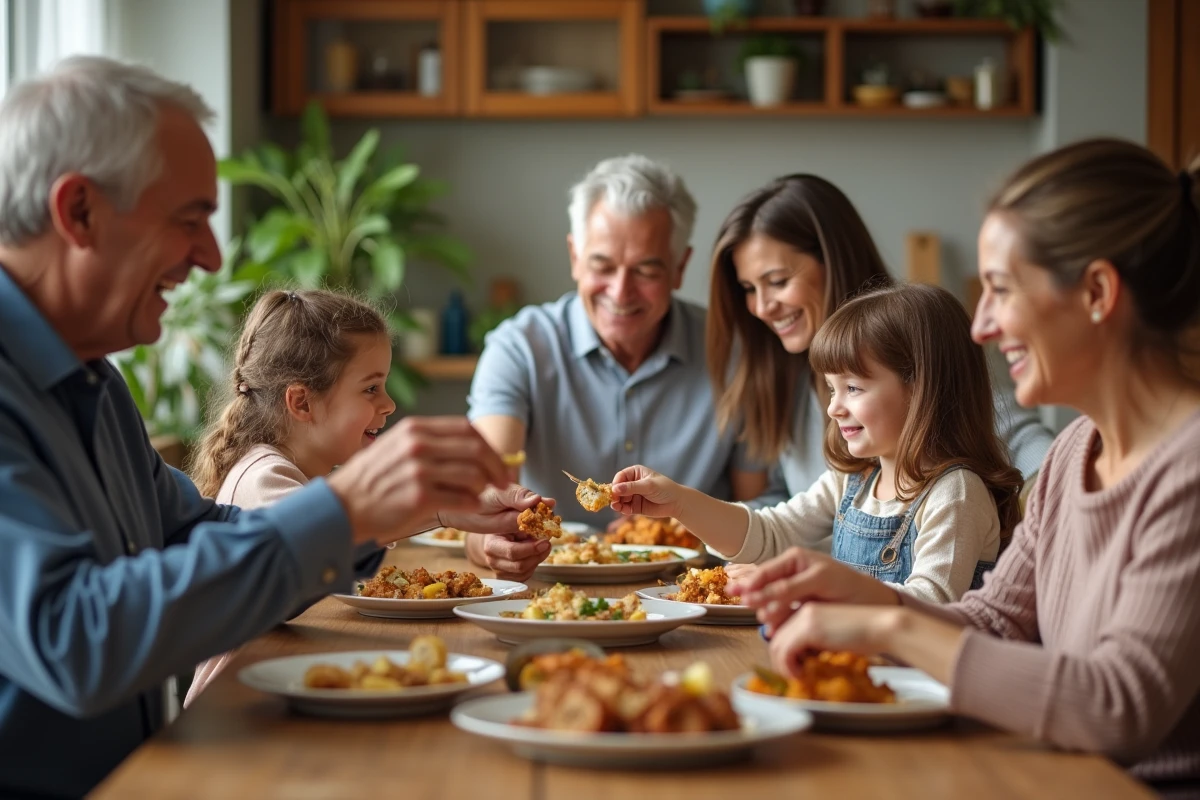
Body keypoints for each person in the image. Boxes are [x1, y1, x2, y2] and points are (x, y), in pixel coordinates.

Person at [0, 56, 545, 798]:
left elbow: (200, 536)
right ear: (80, 212)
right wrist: (352, 505)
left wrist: (402, 506)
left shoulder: (90, 380)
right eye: (188, 219)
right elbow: (76, 639)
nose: (212, 255)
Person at [728, 139, 1200, 788]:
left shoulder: (1188, 471)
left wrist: (886, 620)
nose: (980, 326)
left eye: (1000, 290)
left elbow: (1117, 706)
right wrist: (860, 594)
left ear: (1096, 292)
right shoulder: (1073, 453)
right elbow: (995, 622)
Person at [612, 283, 1022, 603]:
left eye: (854, 389)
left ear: (922, 388)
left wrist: (802, 588)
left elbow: (929, 606)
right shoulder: (856, 481)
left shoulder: (954, 493)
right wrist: (680, 503)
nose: (834, 409)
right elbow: (769, 534)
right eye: (831, 389)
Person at [465, 154, 767, 579]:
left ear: (680, 268)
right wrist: (487, 543)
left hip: (689, 591)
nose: (621, 292)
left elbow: (764, 507)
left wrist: (683, 523)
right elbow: (484, 492)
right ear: (574, 256)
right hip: (546, 587)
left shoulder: (735, 353)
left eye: (645, 270)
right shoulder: (519, 348)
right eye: (602, 266)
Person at [707, 174, 1054, 511]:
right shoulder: (786, 376)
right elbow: (796, 506)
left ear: (834, 260)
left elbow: (1028, 449)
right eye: (749, 289)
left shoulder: (912, 347)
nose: (762, 307)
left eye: (778, 281)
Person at [183, 288, 395, 706]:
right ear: (301, 401)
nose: (388, 404)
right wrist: (437, 507)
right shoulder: (265, 476)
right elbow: (326, 547)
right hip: (233, 712)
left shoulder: (291, 470)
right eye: (371, 389)